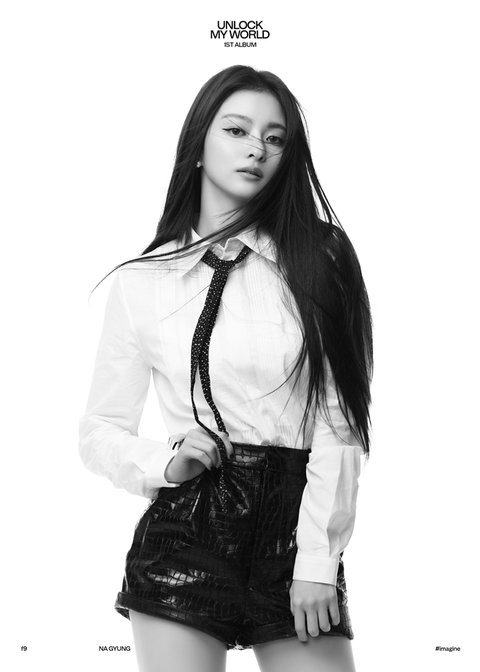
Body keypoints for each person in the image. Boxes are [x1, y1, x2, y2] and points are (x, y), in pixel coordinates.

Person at [79, 64, 373, 672]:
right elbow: (100, 429)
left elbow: (340, 425)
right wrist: (165, 463)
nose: (256, 148)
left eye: (275, 137)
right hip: (185, 535)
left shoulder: (320, 259)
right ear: (198, 145)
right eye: (237, 130)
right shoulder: (143, 282)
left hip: (292, 536)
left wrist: (317, 562)